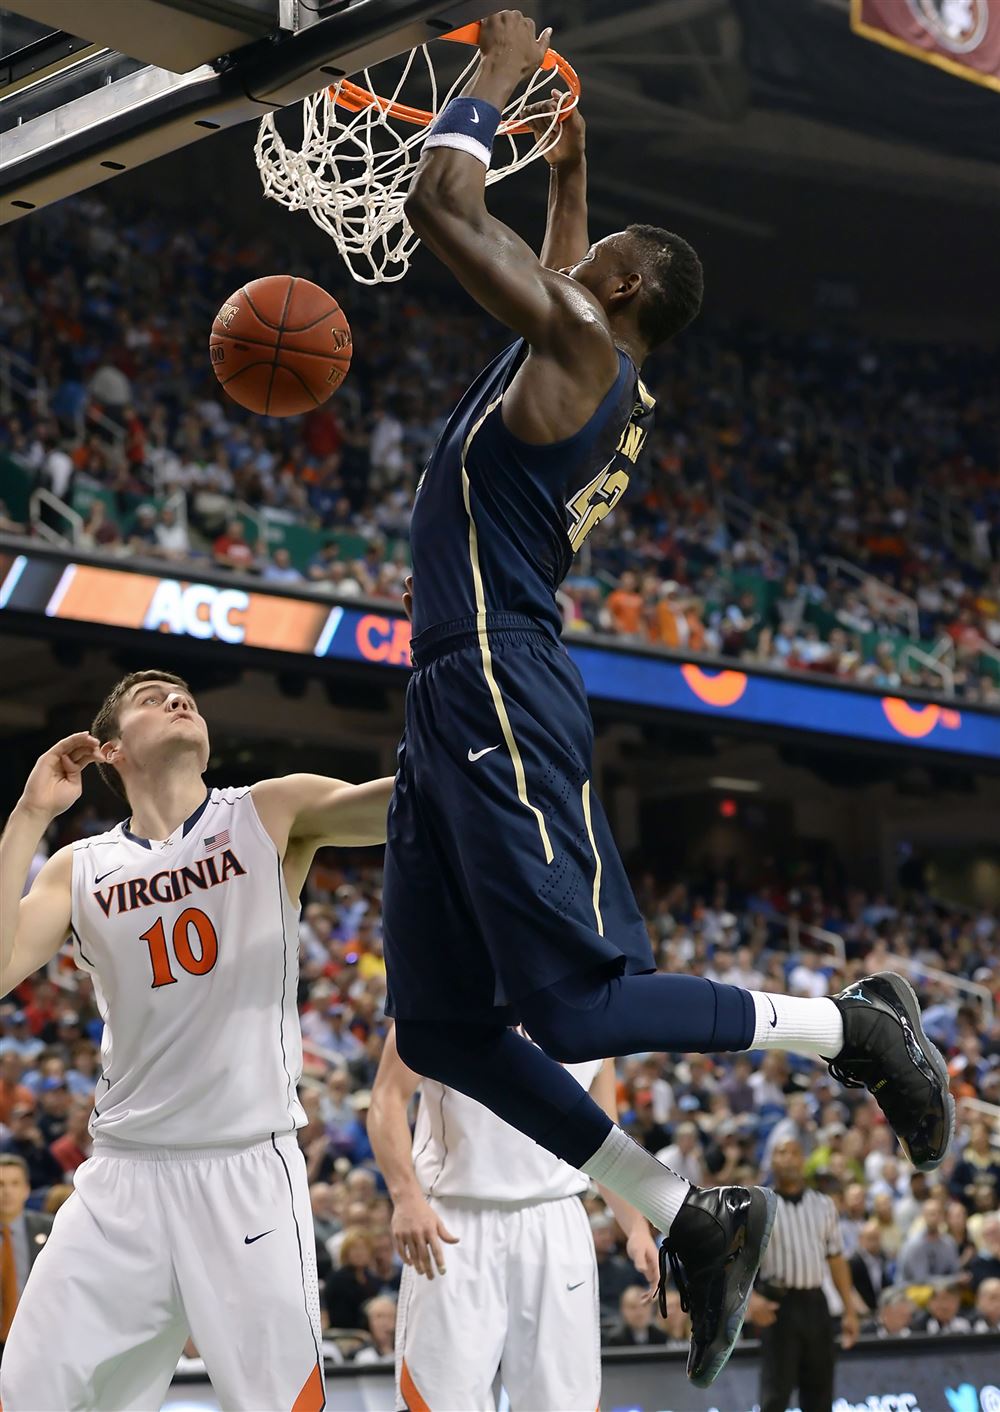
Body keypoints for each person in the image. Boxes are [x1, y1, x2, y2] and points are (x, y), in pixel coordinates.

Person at [382, 10, 952, 1391]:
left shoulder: (579, 341)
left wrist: (498, 71)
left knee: (578, 1010)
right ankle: (687, 1213)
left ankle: (854, 1027)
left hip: (496, 677)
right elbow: (560, 270)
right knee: (442, 1027)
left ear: (619, 287)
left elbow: (440, 202)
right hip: (453, 689)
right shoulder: (589, 353)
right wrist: (575, 171)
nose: (572, 264)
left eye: (593, 258)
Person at [0, 670, 394, 1411]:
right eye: (150, 699)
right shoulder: (79, 866)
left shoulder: (267, 810)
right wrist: (28, 816)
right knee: (27, 1392)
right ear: (111, 750)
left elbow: (398, 805)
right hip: (123, 1175)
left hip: (245, 1165)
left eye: (184, 695)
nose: (177, 700)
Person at [367, 1027, 657, 1412]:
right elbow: (387, 1097)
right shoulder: (432, 996)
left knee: (563, 1402)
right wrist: (405, 1198)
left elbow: (606, 1134)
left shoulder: (590, 1009)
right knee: (441, 1398)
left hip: (556, 1218)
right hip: (456, 1218)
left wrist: (636, 1226)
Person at [750, 1139, 859, 1412]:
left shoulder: (824, 1205)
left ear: (803, 1160)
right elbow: (736, 1261)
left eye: (794, 1153)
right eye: (781, 1153)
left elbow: (836, 1259)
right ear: (772, 1161)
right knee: (775, 1396)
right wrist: (751, 1299)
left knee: (820, 1395)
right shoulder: (758, 1205)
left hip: (816, 1304)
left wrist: (849, 1310)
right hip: (778, 1306)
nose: (788, 1158)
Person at [0, 1155, 54, 1357]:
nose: (7, 1191)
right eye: (1, 1184)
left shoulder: (50, 1229)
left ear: (26, 1189)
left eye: (15, 1184)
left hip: (36, 1339)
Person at [604, 1285, 669, 1347]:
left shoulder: (661, 1336)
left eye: (644, 1306)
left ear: (652, 1309)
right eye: (633, 1307)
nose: (639, 1313)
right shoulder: (615, 1339)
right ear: (623, 1310)